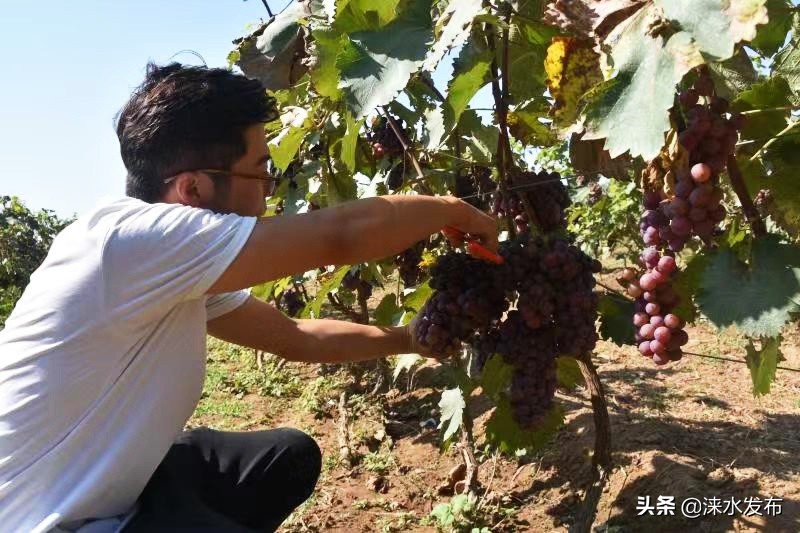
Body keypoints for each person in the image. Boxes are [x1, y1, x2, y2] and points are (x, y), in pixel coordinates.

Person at [0, 63, 497, 532]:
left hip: (101, 487)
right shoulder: (133, 243)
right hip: (46, 523)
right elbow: (343, 236)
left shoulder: (164, 268)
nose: (266, 195)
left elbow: (297, 337)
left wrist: (410, 339)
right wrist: (457, 211)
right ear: (192, 189)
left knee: (286, 457)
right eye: (259, 173)